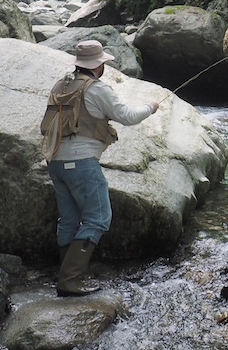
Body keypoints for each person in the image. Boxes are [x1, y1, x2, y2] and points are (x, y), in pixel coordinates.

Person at [44, 40, 158, 297]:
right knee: (98, 218)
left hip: (55, 161)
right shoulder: (96, 89)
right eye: (104, 63)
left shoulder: (61, 84)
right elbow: (127, 116)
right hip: (81, 163)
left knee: (70, 219)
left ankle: (66, 273)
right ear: (98, 65)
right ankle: (69, 280)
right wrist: (151, 108)